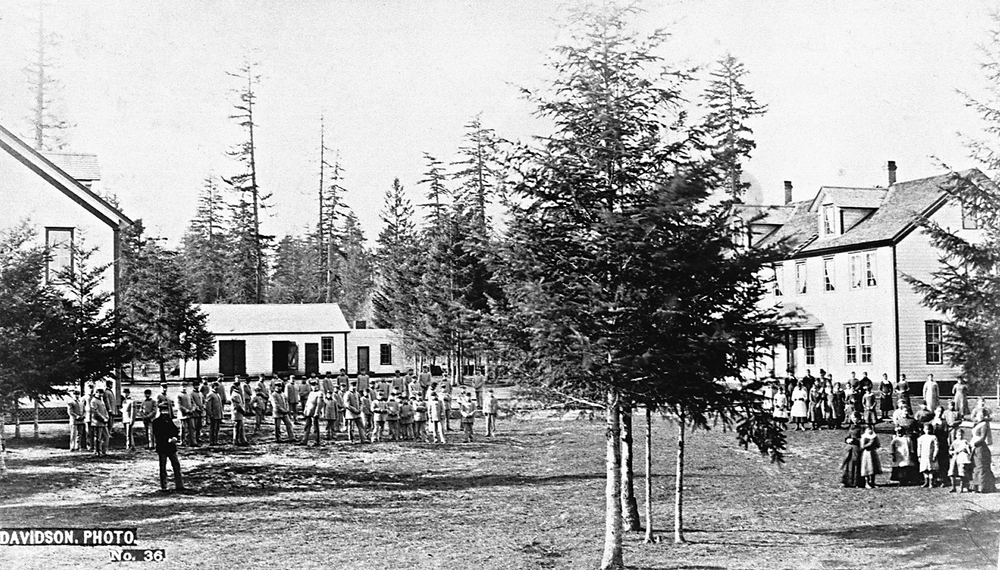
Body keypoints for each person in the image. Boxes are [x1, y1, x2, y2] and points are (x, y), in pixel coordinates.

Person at [151, 402, 184, 493]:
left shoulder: (169, 420)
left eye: (166, 410)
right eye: (163, 411)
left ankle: (179, 484)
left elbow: (174, 430)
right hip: (162, 447)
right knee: (163, 467)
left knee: (176, 465)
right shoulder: (156, 422)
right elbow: (157, 434)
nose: (165, 412)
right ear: (160, 411)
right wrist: (167, 439)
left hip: (171, 447)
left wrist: (175, 437)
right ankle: (164, 486)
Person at [970, 408, 996, 493]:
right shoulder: (977, 424)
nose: (980, 416)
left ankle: (984, 487)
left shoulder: (985, 424)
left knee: (981, 466)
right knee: (976, 466)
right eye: (978, 414)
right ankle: (975, 487)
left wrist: (975, 444)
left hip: (981, 447)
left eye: (982, 415)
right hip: (975, 447)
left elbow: (983, 438)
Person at [949, 429, 973, 493]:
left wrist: (966, 449)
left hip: (962, 459)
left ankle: (961, 487)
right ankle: (953, 487)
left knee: (962, 473)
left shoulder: (965, 442)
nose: (960, 436)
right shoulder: (954, 442)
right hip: (955, 458)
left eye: (961, 435)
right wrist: (953, 452)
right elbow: (950, 450)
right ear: (956, 435)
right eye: (959, 435)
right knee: (952, 473)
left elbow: (969, 450)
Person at [302, 380, 324, 446]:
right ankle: (304, 440)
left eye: (315, 385)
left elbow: (319, 404)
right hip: (309, 412)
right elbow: (308, 403)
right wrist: (305, 411)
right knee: (307, 426)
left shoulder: (320, 393)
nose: (314, 387)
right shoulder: (311, 393)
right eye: (312, 385)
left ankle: (317, 441)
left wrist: (316, 412)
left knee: (315, 427)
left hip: (314, 413)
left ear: (318, 385)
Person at [916, 423, 938, 488]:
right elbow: (919, 447)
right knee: (924, 469)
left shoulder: (933, 437)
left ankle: (931, 482)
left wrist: (935, 455)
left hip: (931, 455)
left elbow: (936, 447)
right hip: (923, 455)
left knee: (930, 469)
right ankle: (926, 481)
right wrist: (919, 455)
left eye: (929, 429)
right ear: (923, 430)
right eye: (926, 429)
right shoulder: (921, 438)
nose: (927, 431)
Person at [90, 389, 111, 456]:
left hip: (104, 422)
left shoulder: (101, 400)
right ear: (96, 393)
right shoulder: (93, 401)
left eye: (101, 393)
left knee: (106, 436)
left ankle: (104, 451)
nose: (100, 395)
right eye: (99, 393)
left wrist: (107, 417)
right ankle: (97, 451)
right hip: (97, 422)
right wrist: (103, 419)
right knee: (98, 438)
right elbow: (96, 412)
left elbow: (105, 410)